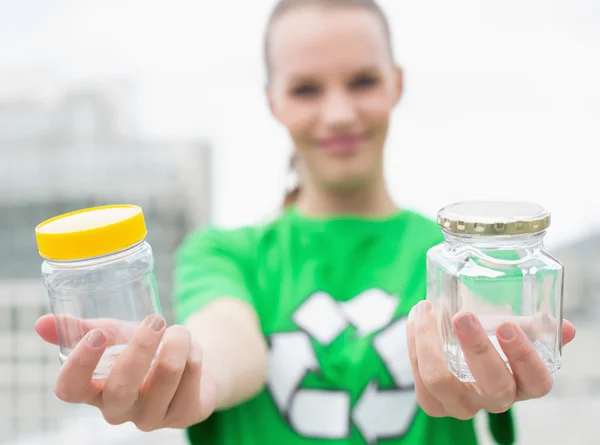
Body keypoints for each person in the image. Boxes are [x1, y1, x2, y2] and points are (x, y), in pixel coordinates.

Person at [34, 0, 576, 444]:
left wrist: (494, 360)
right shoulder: (226, 253)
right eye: (306, 89)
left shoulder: (450, 259)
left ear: (397, 85)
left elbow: (483, 332)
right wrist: (190, 371)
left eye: (362, 81)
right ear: (272, 102)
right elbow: (228, 341)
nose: (338, 114)